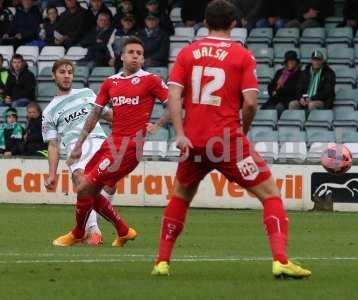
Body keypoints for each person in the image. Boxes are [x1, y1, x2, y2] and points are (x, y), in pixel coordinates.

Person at [151, 0, 311, 278]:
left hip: (193, 141)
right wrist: (244, 131)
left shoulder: (187, 53)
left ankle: (162, 262)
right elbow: (250, 102)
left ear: (204, 21)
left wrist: (179, 133)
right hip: (227, 141)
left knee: (180, 197)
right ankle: (280, 260)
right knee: (270, 195)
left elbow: (173, 96)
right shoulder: (242, 55)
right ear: (234, 23)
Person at [57, 37, 170, 247]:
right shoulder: (111, 83)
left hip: (129, 148)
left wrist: (158, 124)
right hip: (111, 144)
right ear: (122, 56)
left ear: (143, 58)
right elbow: (95, 114)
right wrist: (80, 144)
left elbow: (173, 103)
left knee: (86, 187)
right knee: (84, 186)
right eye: (131, 52)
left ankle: (78, 232)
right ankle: (123, 230)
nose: (136, 55)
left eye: (139, 53)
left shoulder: (151, 80)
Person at [43, 59, 117, 246]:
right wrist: (52, 173)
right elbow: (53, 144)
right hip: (76, 150)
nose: (67, 75)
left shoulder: (87, 93)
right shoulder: (49, 111)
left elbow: (108, 115)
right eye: (62, 72)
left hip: (99, 144)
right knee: (83, 183)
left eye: (69, 72)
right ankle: (94, 231)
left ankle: (87, 228)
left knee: (109, 186)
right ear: (54, 75)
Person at [262, 50, 301, 116]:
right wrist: (272, 92)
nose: (290, 62)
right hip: (275, 99)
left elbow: (292, 90)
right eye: (288, 60)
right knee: (264, 109)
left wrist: (277, 92)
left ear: (296, 62)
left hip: (287, 100)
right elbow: (271, 85)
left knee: (278, 108)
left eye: (292, 60)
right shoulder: (280, 72)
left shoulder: (299, 74)